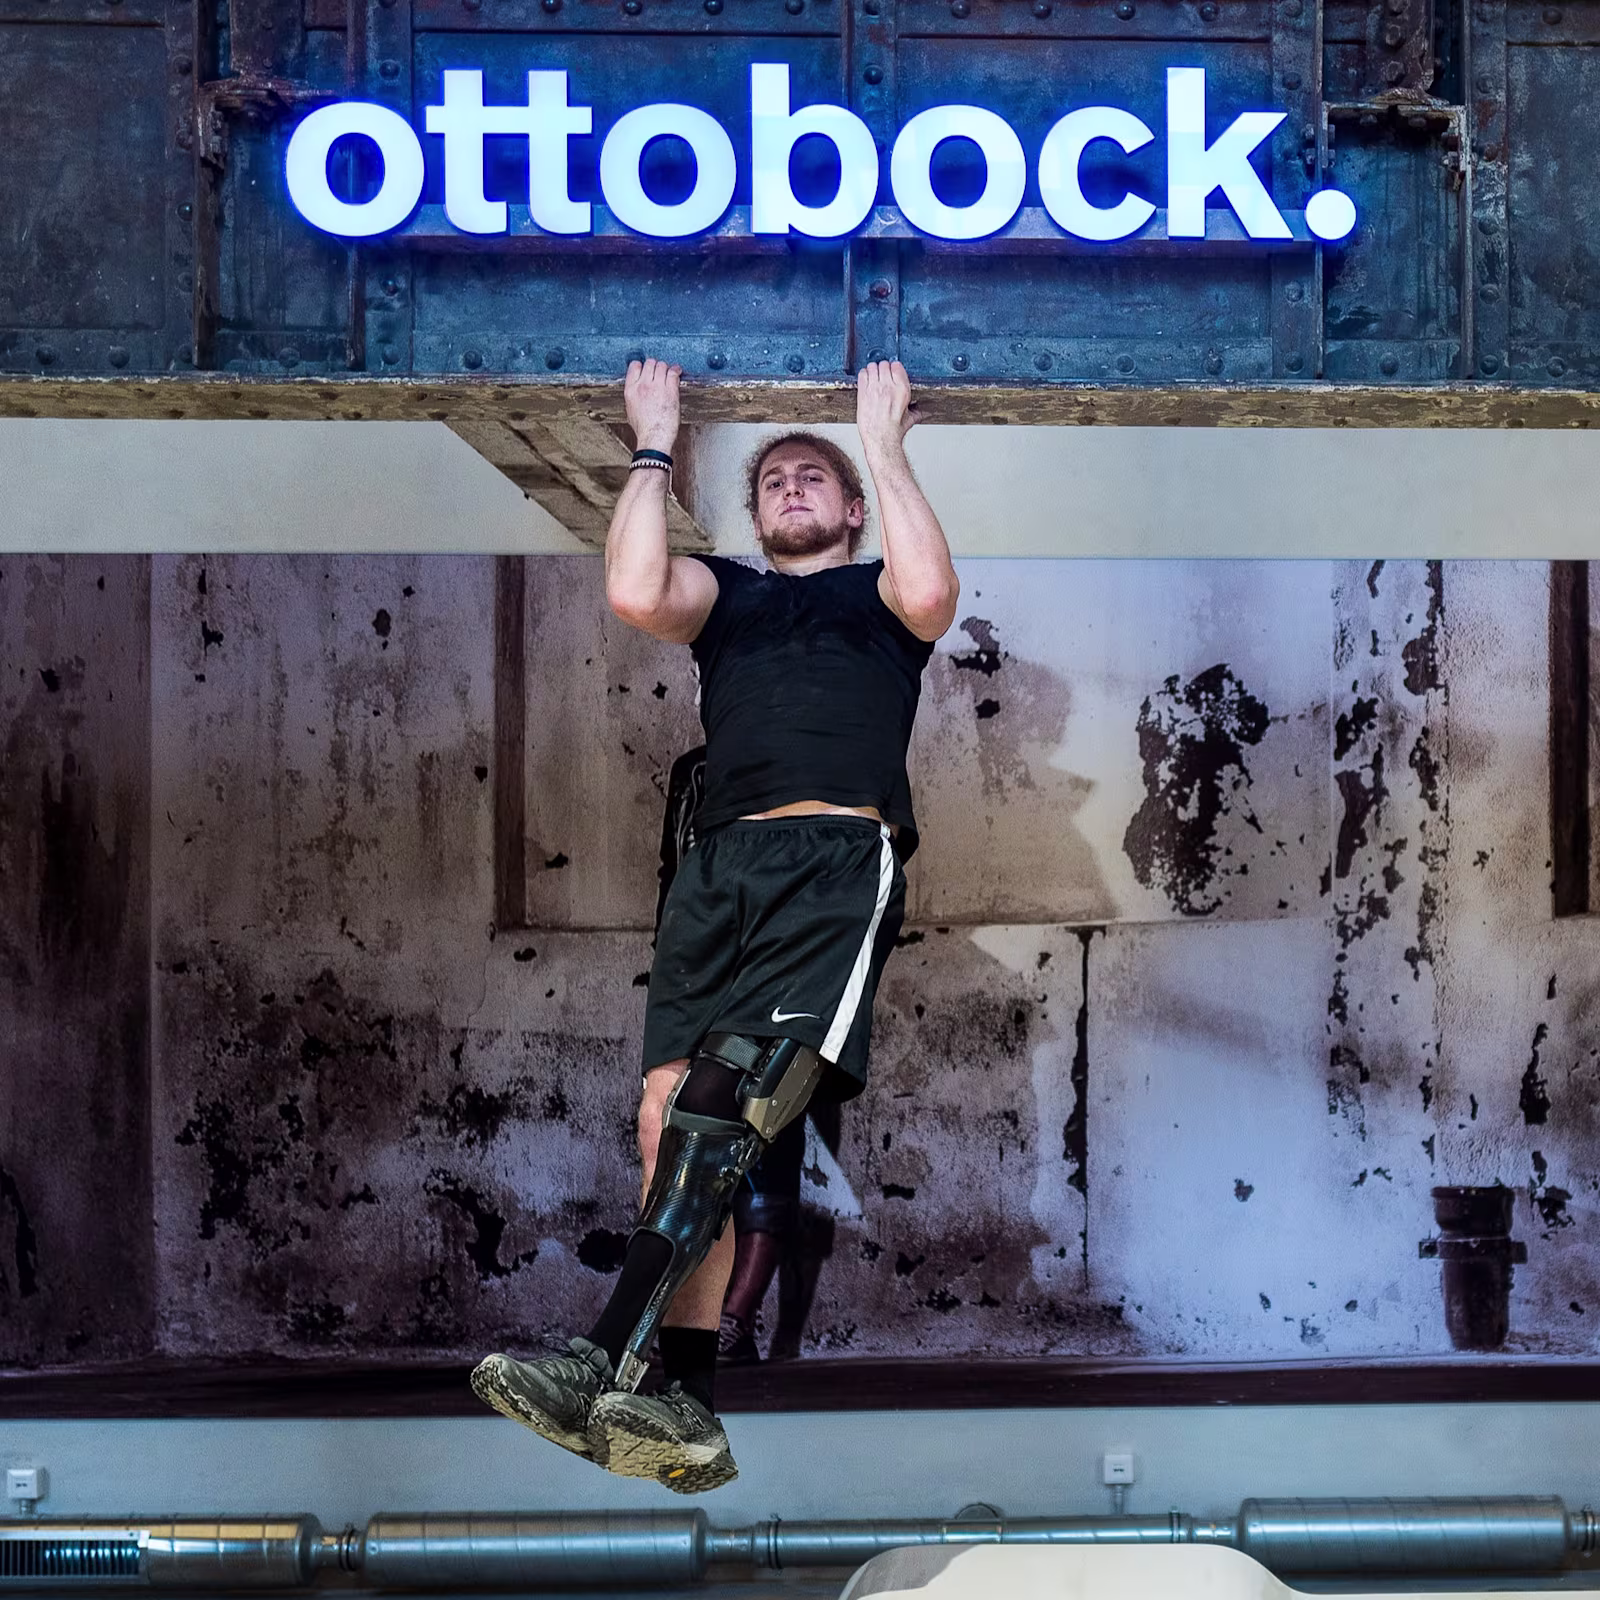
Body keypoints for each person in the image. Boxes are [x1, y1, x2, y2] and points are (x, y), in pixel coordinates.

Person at [471, 357, 959, 1493]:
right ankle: (684, 1396)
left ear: (847, 511)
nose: (790, 486)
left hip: (833, 860)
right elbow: (638, 589)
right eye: (773, 479)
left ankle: (602, 1355)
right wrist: (653, 442)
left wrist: (879, 445)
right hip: (716, 870)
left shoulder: (882, 600)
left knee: (721, 1103)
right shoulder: (728, 600)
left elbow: (933, 589)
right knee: (663, 1115)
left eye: (812, 478)